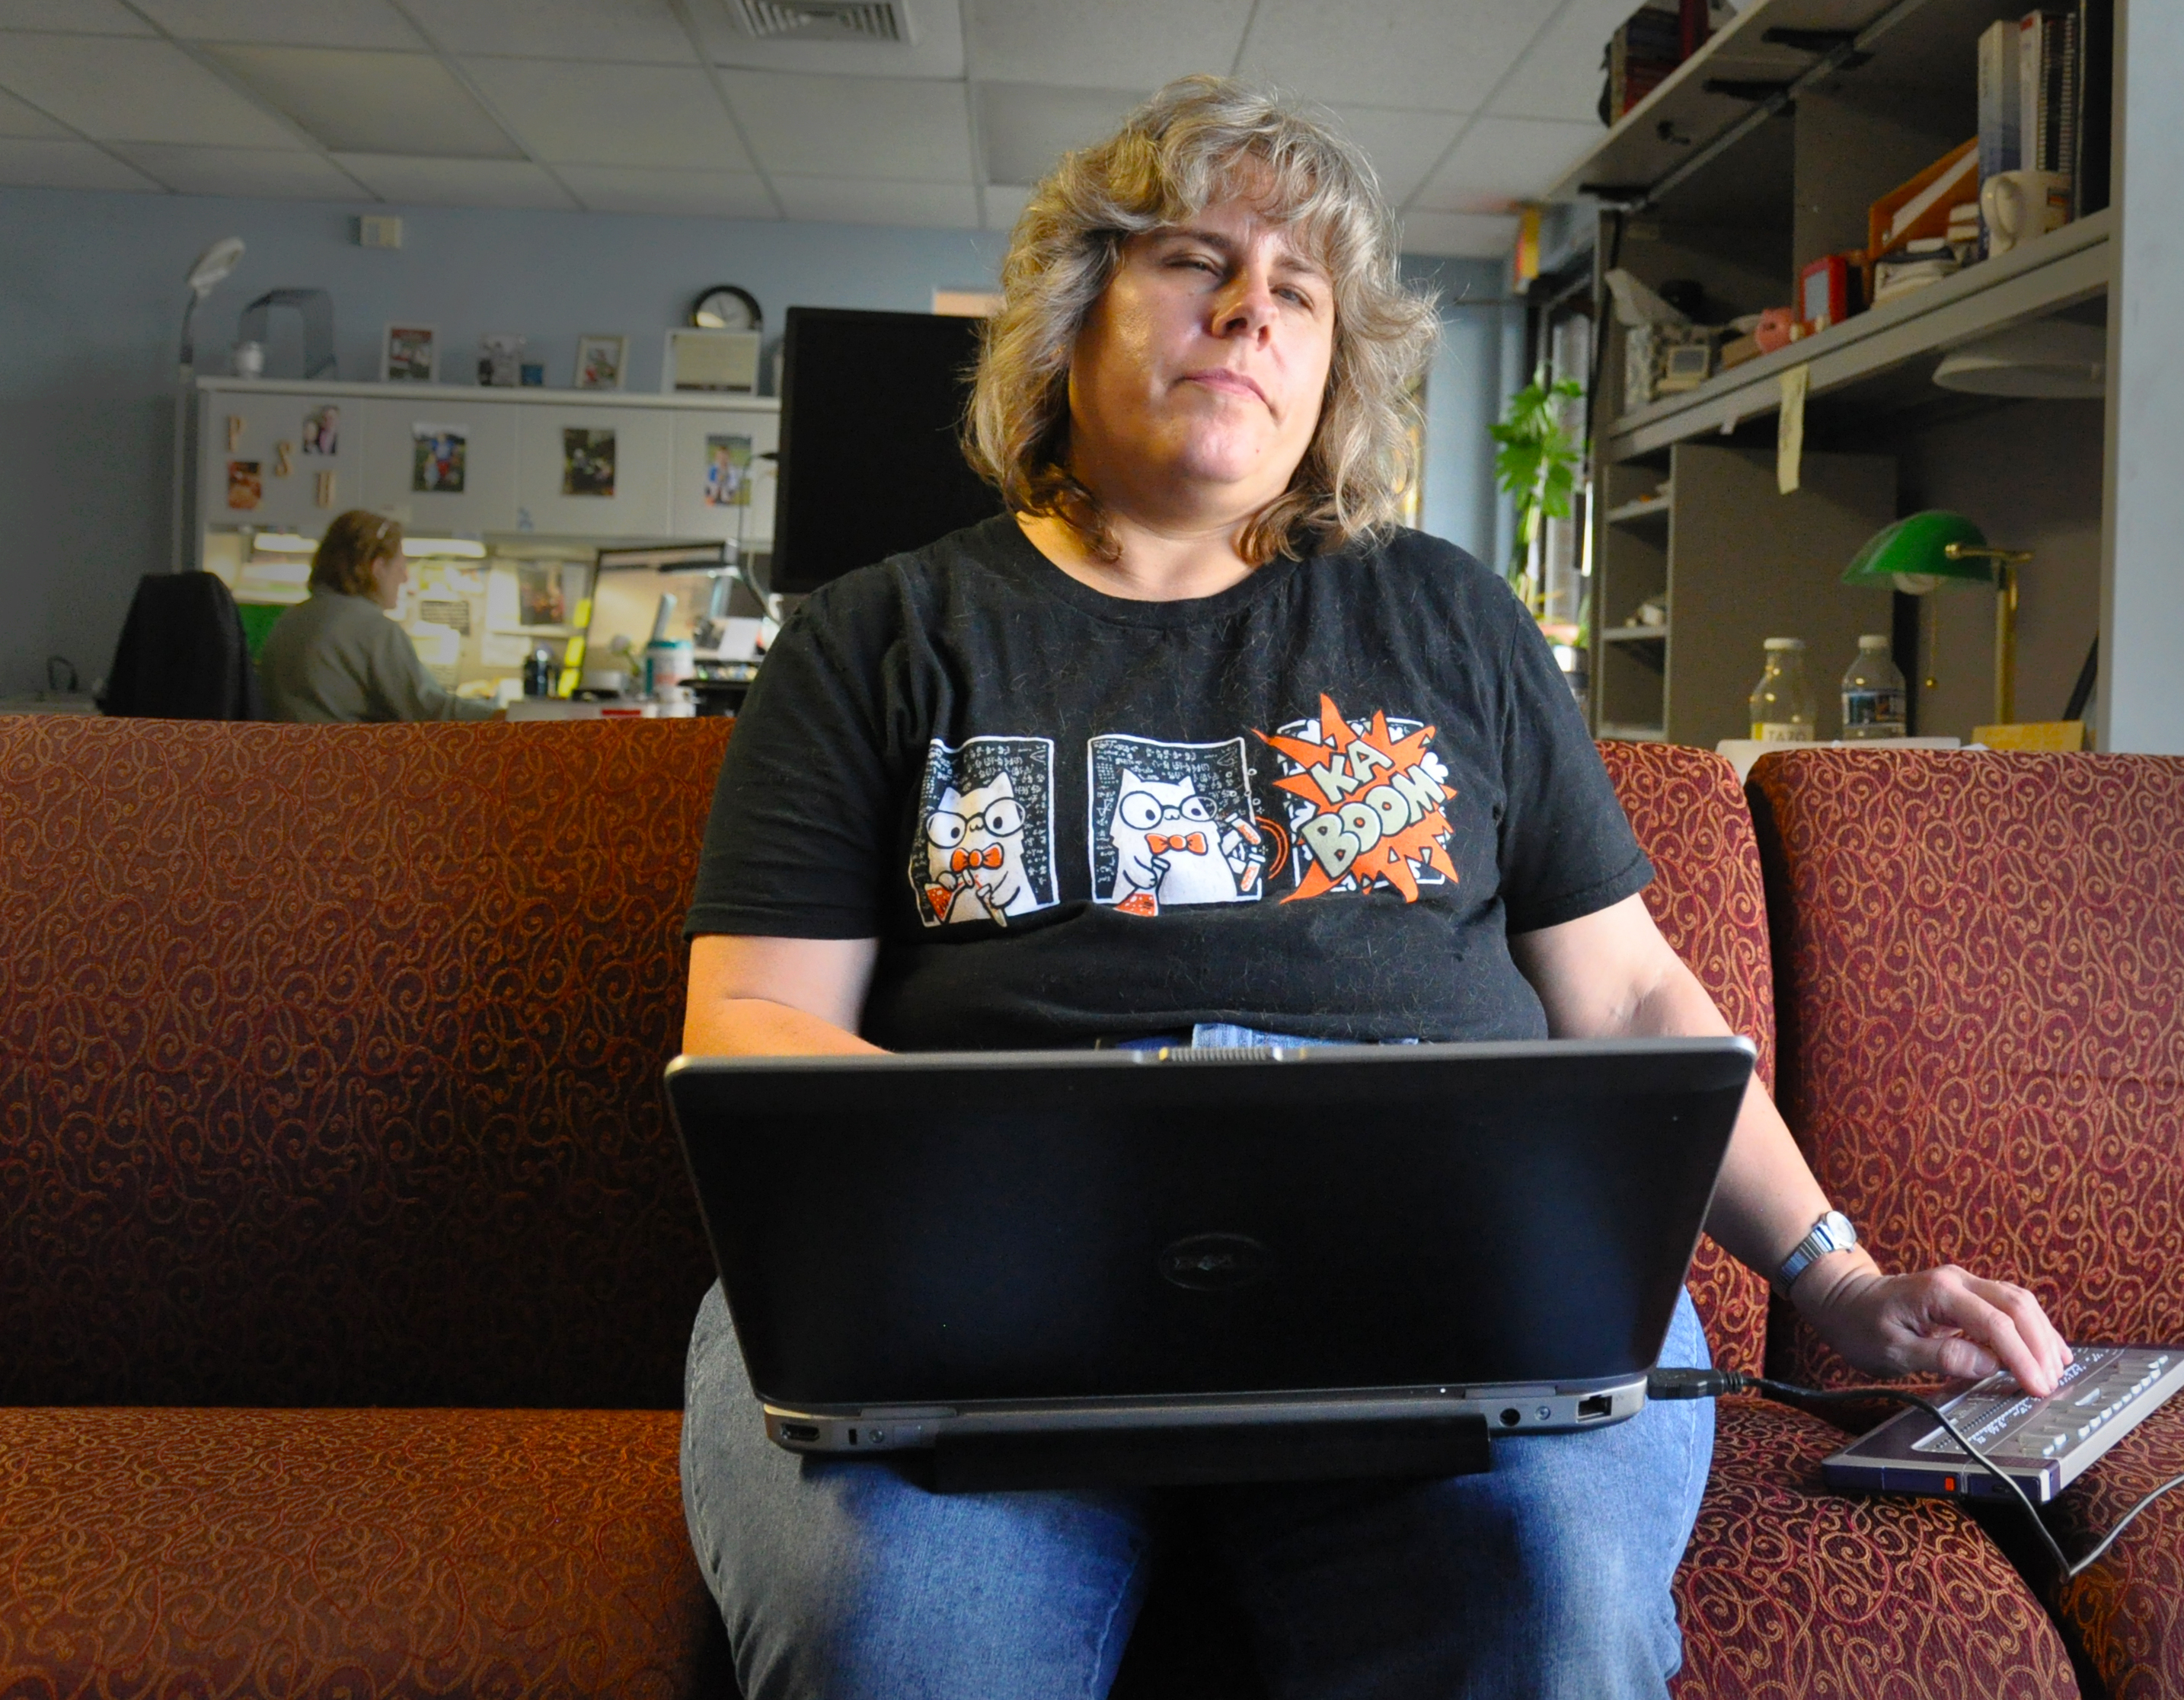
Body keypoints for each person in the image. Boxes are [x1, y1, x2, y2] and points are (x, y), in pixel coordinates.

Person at [678, 76, 2070, 1700]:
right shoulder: (873, 637)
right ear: (1071, 317)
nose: (1250, 312)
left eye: (1298, 291)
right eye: (1196, 262)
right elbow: (757, 1017)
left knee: (1551, 1617)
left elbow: (1624, 996)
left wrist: (1840, 1278)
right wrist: (1020, 1175)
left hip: (1443, 1296)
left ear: (1335, 362)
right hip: (981, 1317)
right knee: (889, 1644)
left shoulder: (1450, 619)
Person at [257, 510, 498, 723]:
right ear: (377, 567)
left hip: (287, 767)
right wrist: (504, 716)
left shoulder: (290, 619)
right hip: (344, 766)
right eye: (400, 567)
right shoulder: (373, 629)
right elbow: (428, 709)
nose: (404, 578)